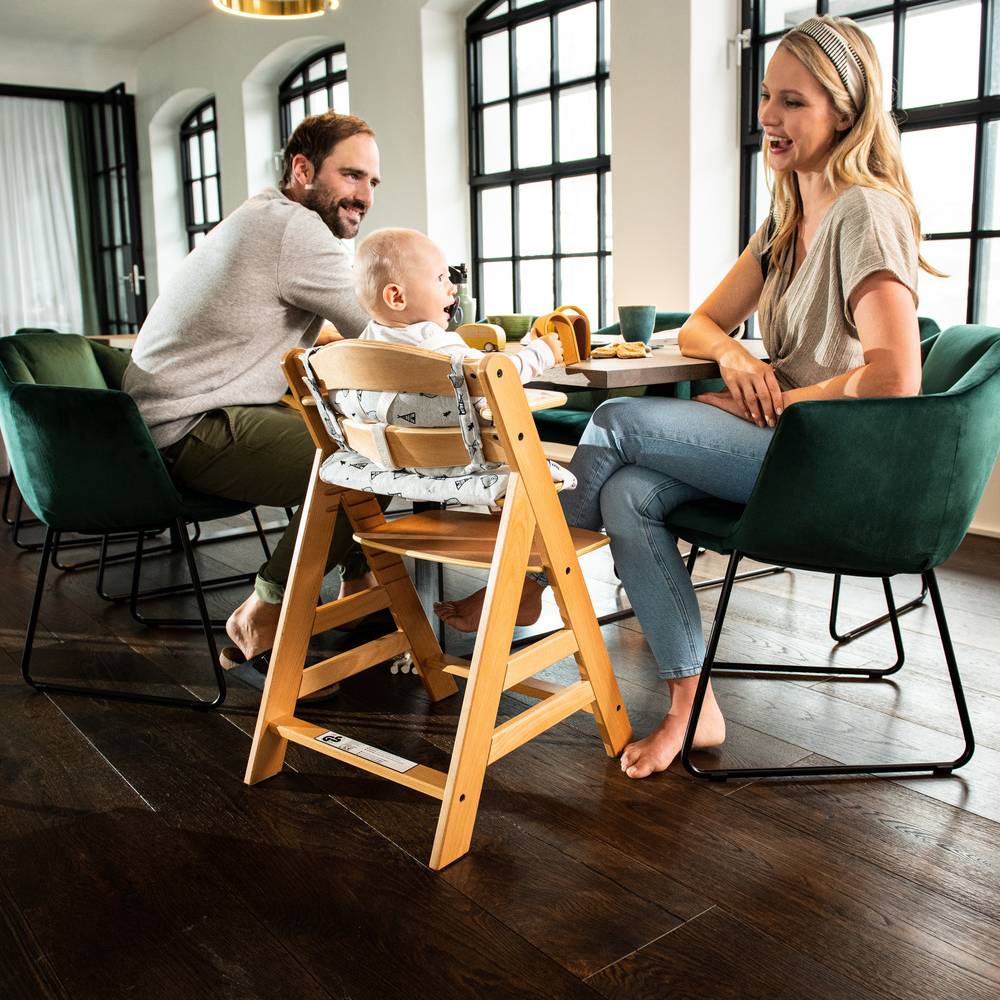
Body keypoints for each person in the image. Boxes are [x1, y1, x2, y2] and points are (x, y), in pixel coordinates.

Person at [436, 14, 933, 779]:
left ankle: (528, 578)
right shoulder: (789, 218)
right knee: (630, 491)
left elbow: (898, 376)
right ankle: (690, 704)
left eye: (793, 101)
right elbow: (702, 324)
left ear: (845, 109)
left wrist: (782, 403)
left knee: (617, 420)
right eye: (767, 95)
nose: (767, 115)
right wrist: (735, 359)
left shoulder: (866, 211)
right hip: (782, 443)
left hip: (833, 461)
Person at [123, 112, 382, 670]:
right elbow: (380, 331)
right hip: (187, 428)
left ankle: (358, 588)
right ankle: (266, 607)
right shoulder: (296, 228)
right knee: (368, 460)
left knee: (352, 434)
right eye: (351, 176)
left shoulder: (262, 216)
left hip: (153, 425)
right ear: (303, 168)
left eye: (371, 183)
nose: (362, 195)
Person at [352, 227, 563, 378]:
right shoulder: (436, 346)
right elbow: (498, 376)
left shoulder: (356, 352)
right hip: (464, 441)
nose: (452, 287)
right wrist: (542, 352)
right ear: (397, 297)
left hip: (376, 441)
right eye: (440, 278)